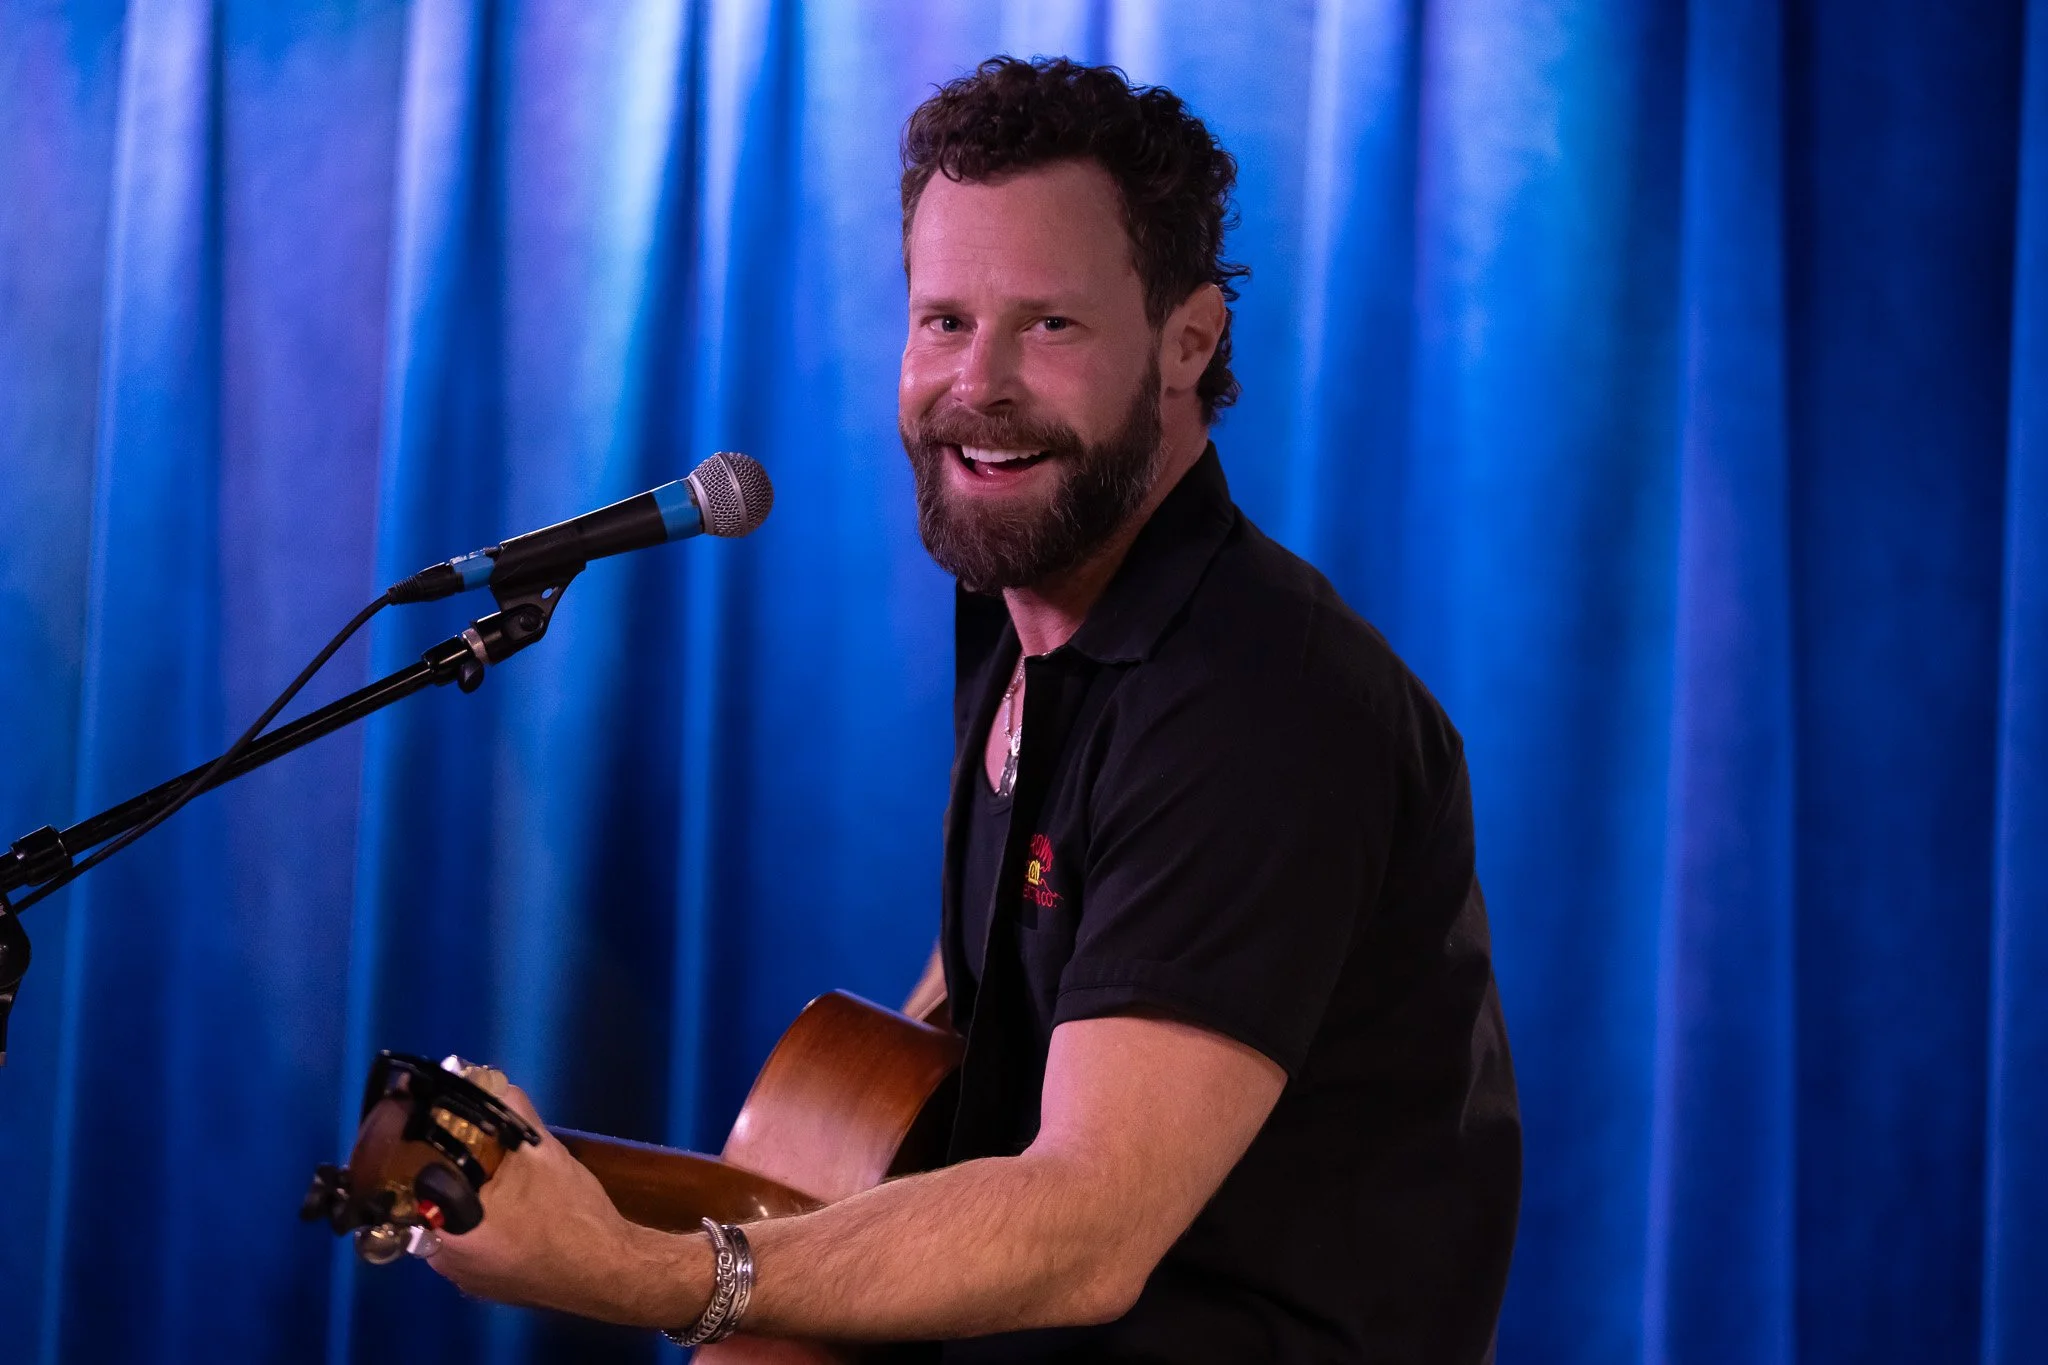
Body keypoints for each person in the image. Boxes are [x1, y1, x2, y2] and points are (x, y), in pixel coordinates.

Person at [426, 57, 1521, 1362]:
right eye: (944, 319)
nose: (978, 384)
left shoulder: (1261, 705)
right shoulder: (1030, 612)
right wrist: (575, 1196)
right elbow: (929, 1091)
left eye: (1049, 325)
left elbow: (1085, 1228)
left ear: (1188, 339)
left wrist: (634, 1273)